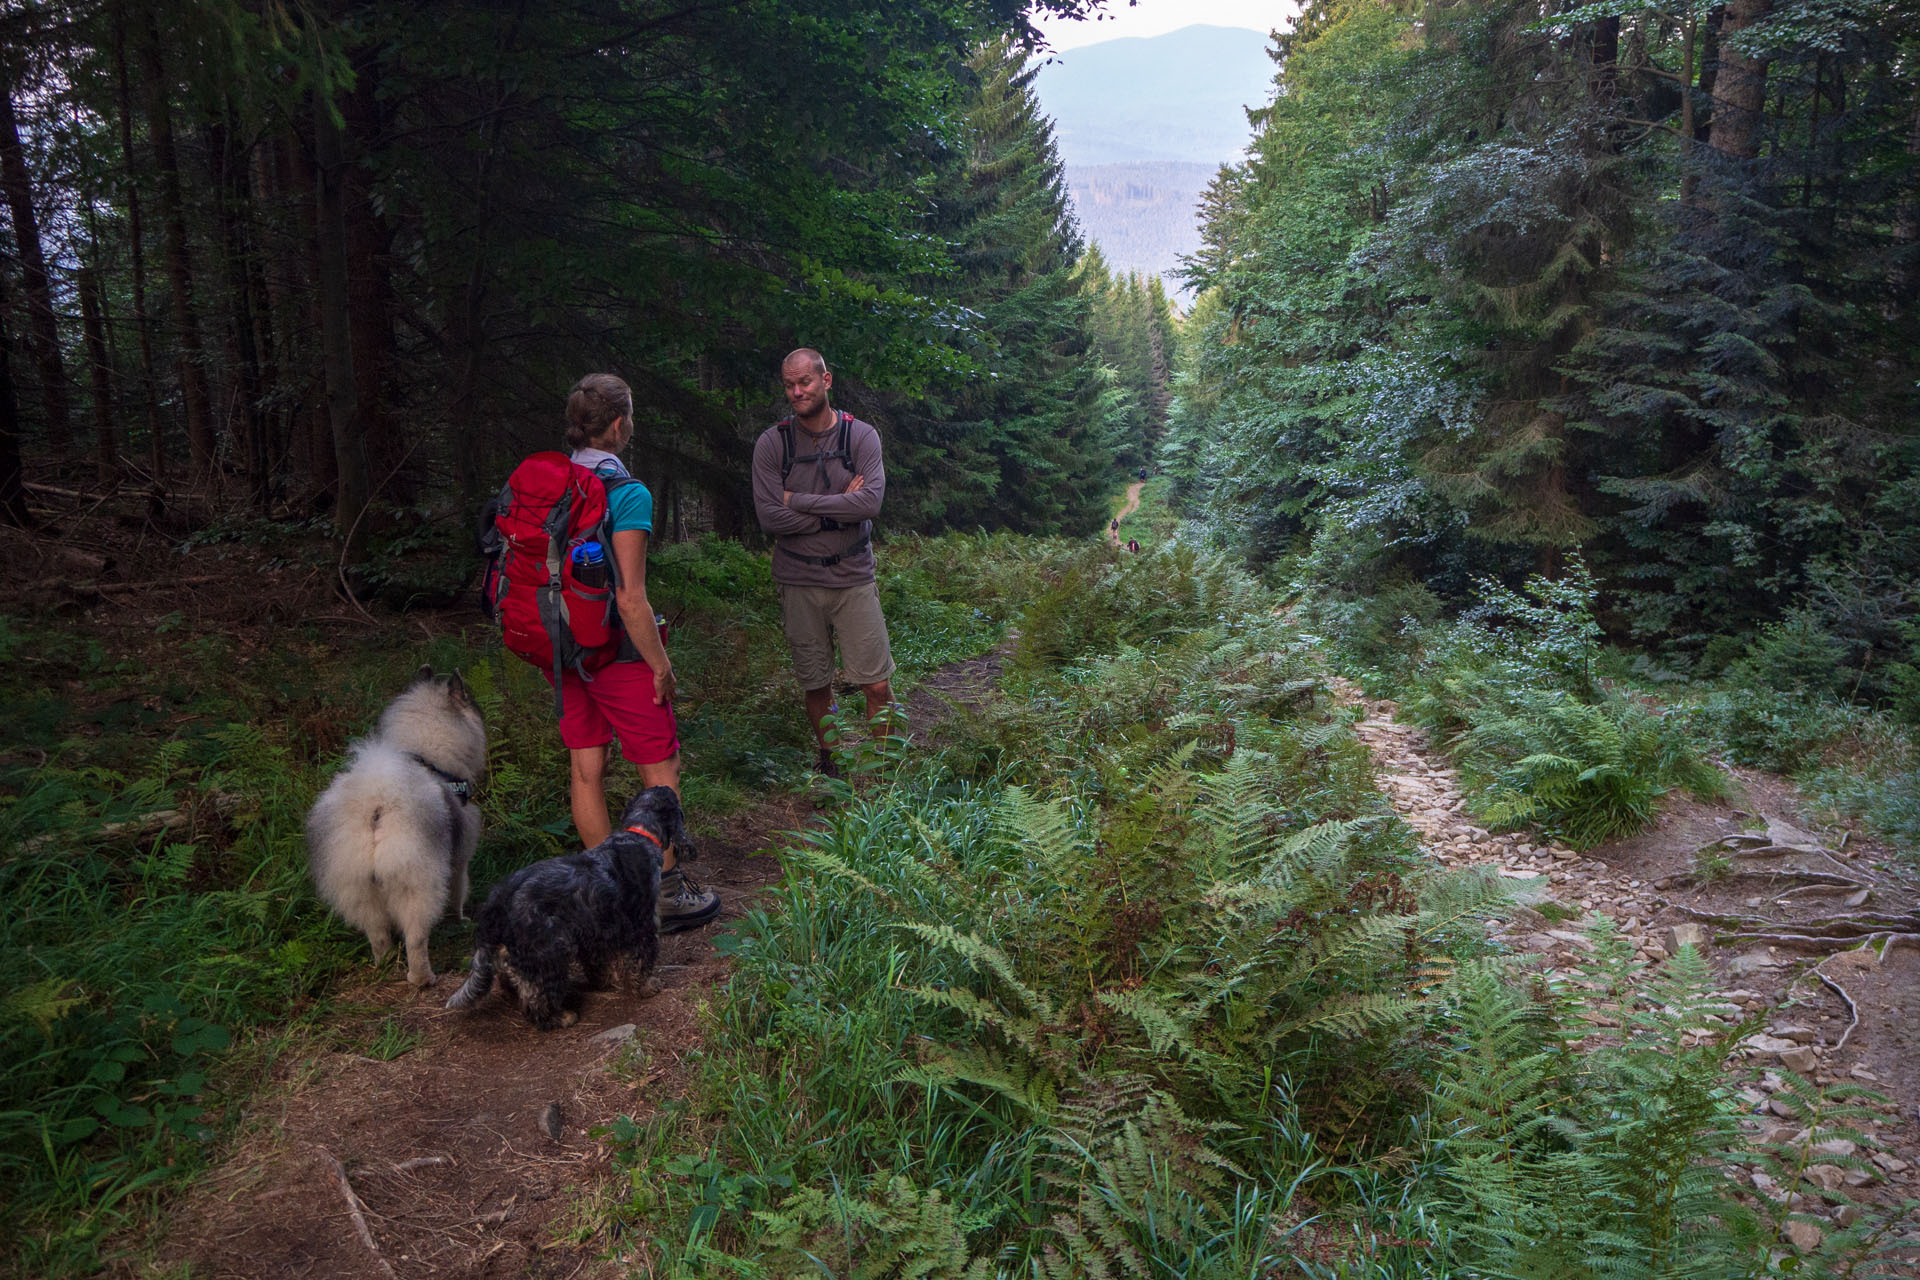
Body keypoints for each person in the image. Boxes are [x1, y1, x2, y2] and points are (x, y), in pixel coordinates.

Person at [554, 374, 719, 931]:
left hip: (564, 650)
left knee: (586, 767)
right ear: (620, 425)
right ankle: (665, 892)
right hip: (616, 654)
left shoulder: (553, 480)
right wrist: (661, 666)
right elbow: (629, 597)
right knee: (660, 768)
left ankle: (608, 892)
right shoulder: (626, 492)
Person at [751, 349, 895, 776]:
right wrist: (839, 509)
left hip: (852, 576)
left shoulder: (861, 437)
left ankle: (888, 769)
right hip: (798, 579)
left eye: (805, 383)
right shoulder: (772, 443)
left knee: (877, 682)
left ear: (826, 381)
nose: (796, 392)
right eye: (789, 385)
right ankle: (832, 759)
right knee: (816, 681)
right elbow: (768, 516)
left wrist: (798, 502)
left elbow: (870, 503)